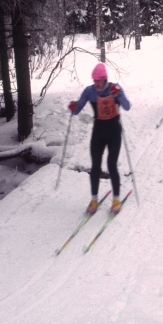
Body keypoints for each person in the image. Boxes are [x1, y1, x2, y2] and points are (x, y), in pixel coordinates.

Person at [69, 63, 130, 215]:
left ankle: (116, 199)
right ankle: (94, 199)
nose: (96, 83)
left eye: (99, 80)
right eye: (94, 80)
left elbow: (127, 106)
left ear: (104, 79)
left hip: (114, 132)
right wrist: (73, 107)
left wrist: (119, 95)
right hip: (98, 133)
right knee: (95, 166)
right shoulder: (89, 91)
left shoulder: (114, 88)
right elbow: (77, 110)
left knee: (111, 165)